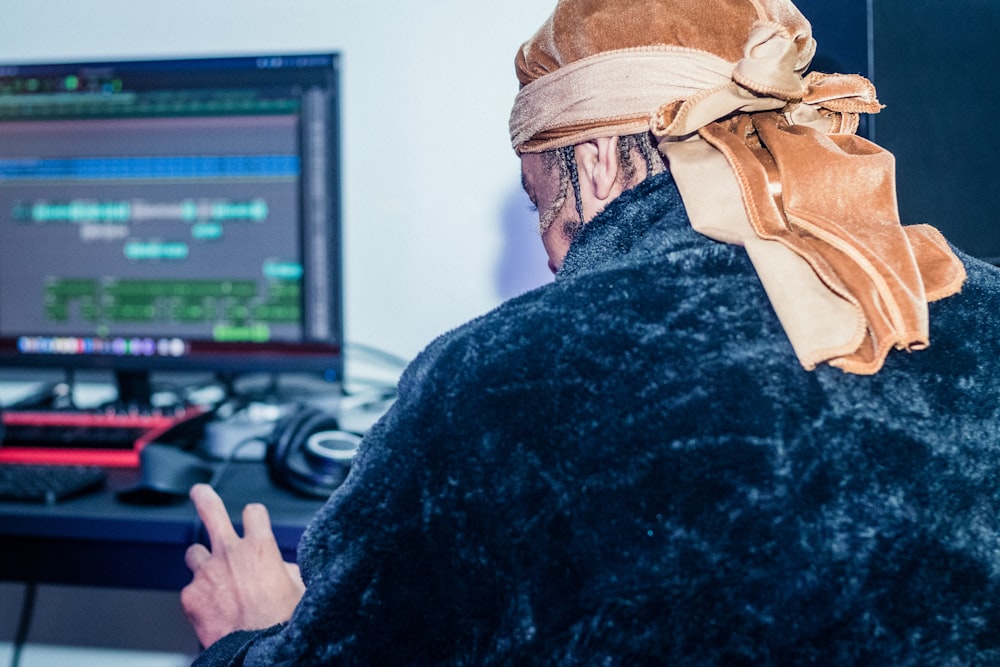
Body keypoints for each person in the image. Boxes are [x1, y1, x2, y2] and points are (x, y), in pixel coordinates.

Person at [182, 0, 1000, 664]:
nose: (546, 256)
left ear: (601, 158)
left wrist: (252, 631)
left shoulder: (498, 376)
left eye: (542, 204)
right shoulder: (976, 297)